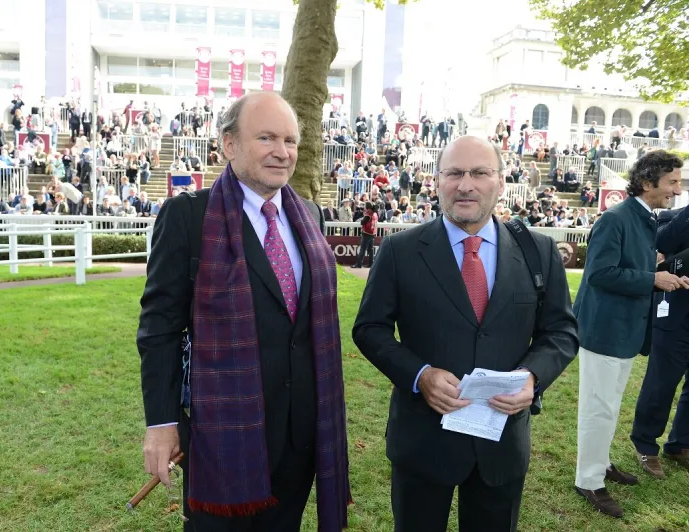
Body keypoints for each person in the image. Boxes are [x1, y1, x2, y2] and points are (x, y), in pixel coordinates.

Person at [137, 92, 351, 532]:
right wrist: (162, 423)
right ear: (229, 144)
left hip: (300, 434)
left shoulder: (310, 215)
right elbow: (159, 328)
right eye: (267, 137)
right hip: (223, 433)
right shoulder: (189, 217)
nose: (282, 152)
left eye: (290, 140)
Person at [352, 136, 578, 532]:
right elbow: (370, 329)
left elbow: (561, 331)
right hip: (424, 439)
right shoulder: (400, 250)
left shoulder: (538, 252)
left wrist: (533, 377)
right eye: (454, 173)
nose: (466, 185)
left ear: (501, 181)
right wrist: (420, 375)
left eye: (479, 173)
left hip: (502, 439)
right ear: (437, 181)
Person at [573, 150, 688, 518]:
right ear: (647, 182)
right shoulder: (616, 218)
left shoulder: (643, 218)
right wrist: (653, 278)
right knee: (599, 407)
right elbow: (599, 273)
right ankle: (589, 480)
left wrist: (661, 275)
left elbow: (629, 266)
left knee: (609, 404)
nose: (677, 190)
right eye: (672, 182)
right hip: (605, 329)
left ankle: (601, 462)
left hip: (624, 329)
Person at [630, 166, 689, 479]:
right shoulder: (676, 217)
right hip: (675, 313)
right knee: (661, 382)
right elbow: (659, 245)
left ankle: (681, 444)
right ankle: (645, 445)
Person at [352, 201, 377, 269]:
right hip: (372, 233)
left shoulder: (368, 213)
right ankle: (371, 263)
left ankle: (358, 264)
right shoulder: (375, 213)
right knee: (370, 249)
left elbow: (362, 222)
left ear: (367, 207)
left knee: (363, 249)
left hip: (367, 233)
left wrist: (362, 219)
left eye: (365, 205)